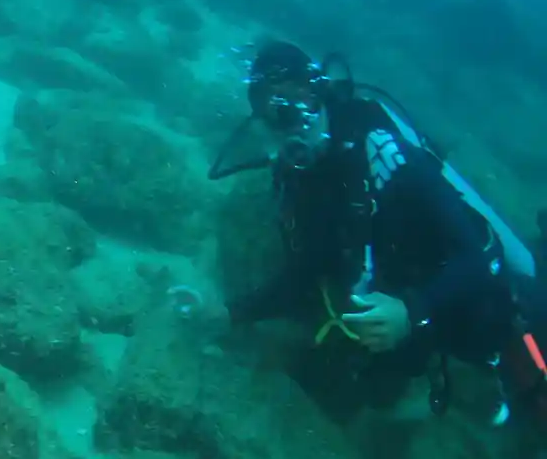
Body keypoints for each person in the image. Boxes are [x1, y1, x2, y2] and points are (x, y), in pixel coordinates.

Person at [217, 40, 541, 419]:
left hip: (503, 309)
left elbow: (479, 256)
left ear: (315, 94)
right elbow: (307, 269)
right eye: (269, 119)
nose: (283, 132)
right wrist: (230, 313)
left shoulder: (382, 152)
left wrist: (412, 310)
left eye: (287, 112)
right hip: (437, 322)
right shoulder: (302, 178)